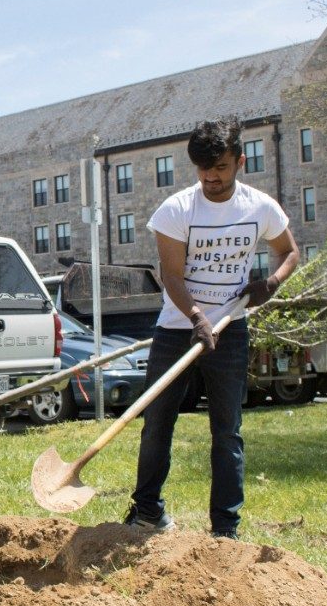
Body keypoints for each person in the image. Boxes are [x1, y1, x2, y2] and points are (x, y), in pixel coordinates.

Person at [126, 117, 298, 541]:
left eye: (219, 167)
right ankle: (147, 511)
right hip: (176, 328)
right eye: (203, 169)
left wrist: (271, 283)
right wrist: (198, 319)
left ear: (240, 161)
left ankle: (225, 528)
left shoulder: (260, 207)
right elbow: (172, 277)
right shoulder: (176, 210)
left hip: (232, 329)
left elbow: (289, 252)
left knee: (227, 430)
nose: (211, 177)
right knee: (157, 422)